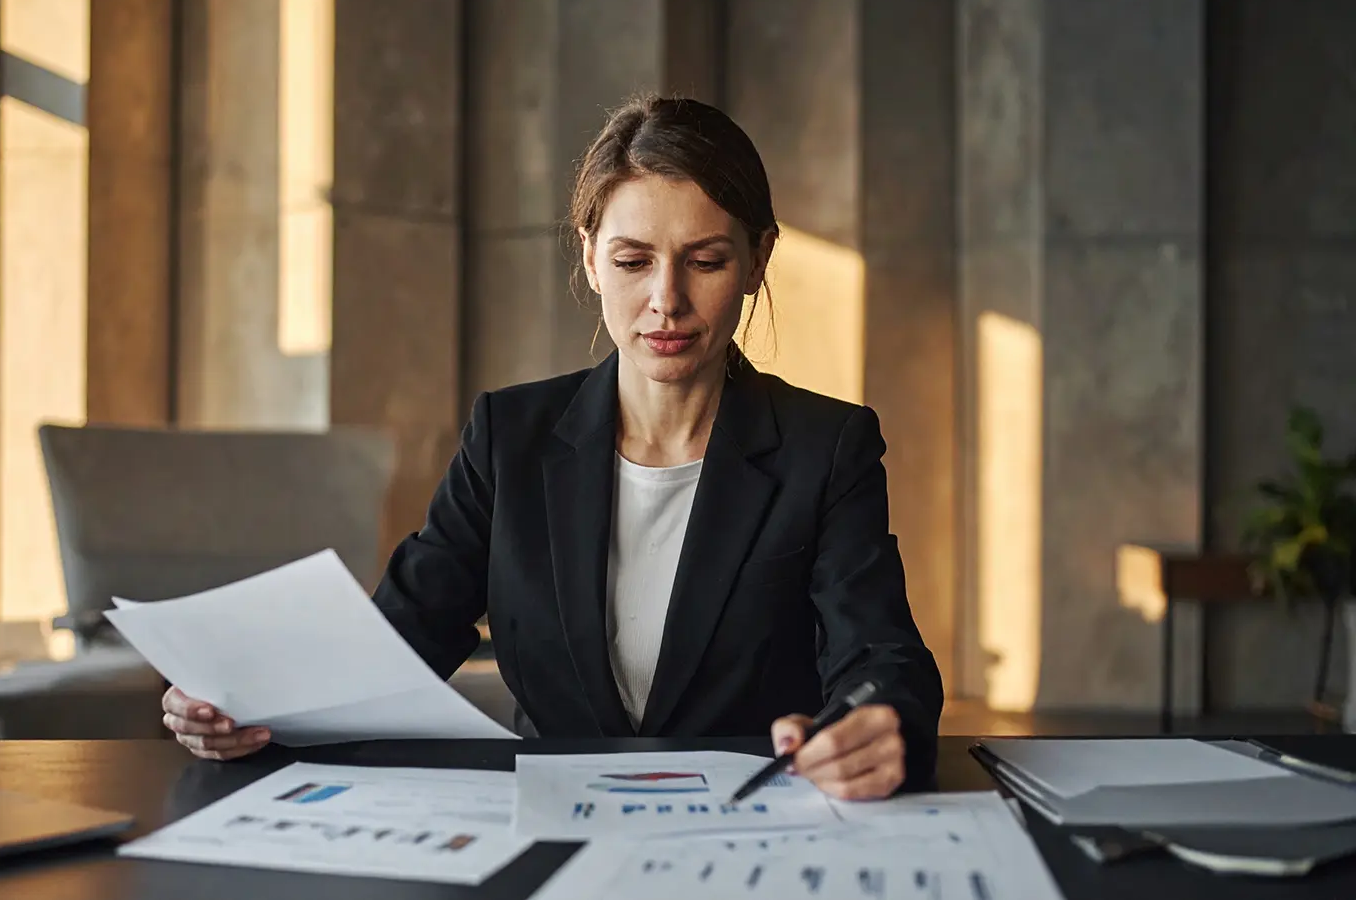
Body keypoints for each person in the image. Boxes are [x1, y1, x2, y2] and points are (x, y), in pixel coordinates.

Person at [161, 95, 943, 800]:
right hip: (553, 827)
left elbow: (880, 653)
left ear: (757, 260)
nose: (665, 300)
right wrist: (244, 701)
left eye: (706, 261)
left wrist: (877, 722)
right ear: (590, 253)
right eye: (633, 261)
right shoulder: (511, 437)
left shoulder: (826, 446)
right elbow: (398, 636)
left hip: (751, 829)